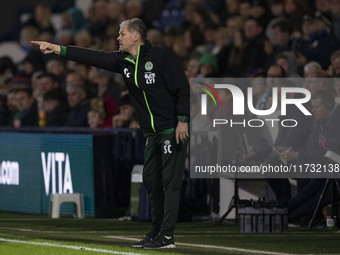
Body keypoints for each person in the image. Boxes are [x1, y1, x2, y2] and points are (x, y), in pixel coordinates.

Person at [32, 17, 190, 249]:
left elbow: (183, 89)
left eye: (122, 34)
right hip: (151, 132)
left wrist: (183, 120)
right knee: (150, 180)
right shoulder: (123, 61)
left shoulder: (161, 56)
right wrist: (58, 49)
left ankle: (167, 236)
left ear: (136, 36)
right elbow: (93, 57)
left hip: (171, 128)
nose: (118, 38)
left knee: (169, 182)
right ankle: (157, 231)